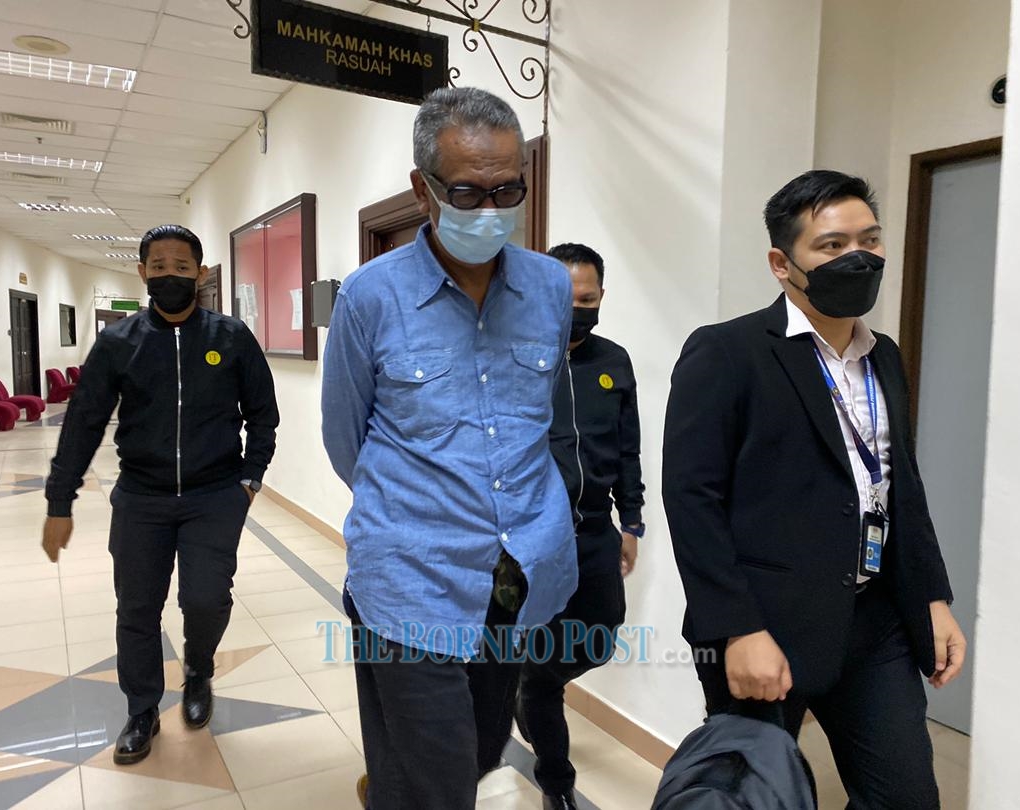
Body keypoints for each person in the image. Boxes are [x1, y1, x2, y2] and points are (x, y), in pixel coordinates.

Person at [663, 170, 967, 808]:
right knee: (755, 795)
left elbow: (901, 487)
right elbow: (692, 500)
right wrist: (737, 628)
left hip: (875, 619)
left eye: (870, 240)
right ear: (782, 263)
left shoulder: (884, 356)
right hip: (767, 623)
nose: (857, 257)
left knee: (907, 796)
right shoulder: (728, 352)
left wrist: (933, 596)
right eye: (831, 246)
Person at [321, 86, 576, 810]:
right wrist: (414, 510)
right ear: (422, 188)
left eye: (509, 189)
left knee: (478, 751)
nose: (491, 209)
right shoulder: (369, 298)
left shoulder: (551, 287)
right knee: (439, 777)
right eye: (467, 191)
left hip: (515, 576)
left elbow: (539, 415)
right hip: (409, 578)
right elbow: (347, 440)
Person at [42, 224, 279, 765]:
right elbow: (83, 423)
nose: (169, 276)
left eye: (180, 267)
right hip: (141, 498)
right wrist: (60, 500)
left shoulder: (230, 337)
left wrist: (250, 478)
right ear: (142, 272)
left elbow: (263, 414)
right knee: (138, 608)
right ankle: (142, 707)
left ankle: (198, 670)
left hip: (215, 495)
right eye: (158, 266)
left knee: (205, 598)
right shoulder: (118, 343)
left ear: (199, 272)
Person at [517, 243, 645, 810]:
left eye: (588, 299)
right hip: (528, 536)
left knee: (601, 633)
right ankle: (557, 782)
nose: (578, 308)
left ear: (601, 297)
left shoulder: (613, 361)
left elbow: (628, 446)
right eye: (567, 299)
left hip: (595, 529)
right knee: (528, 654)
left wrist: (632, 520)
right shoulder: (513, 356)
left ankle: (534, 683)